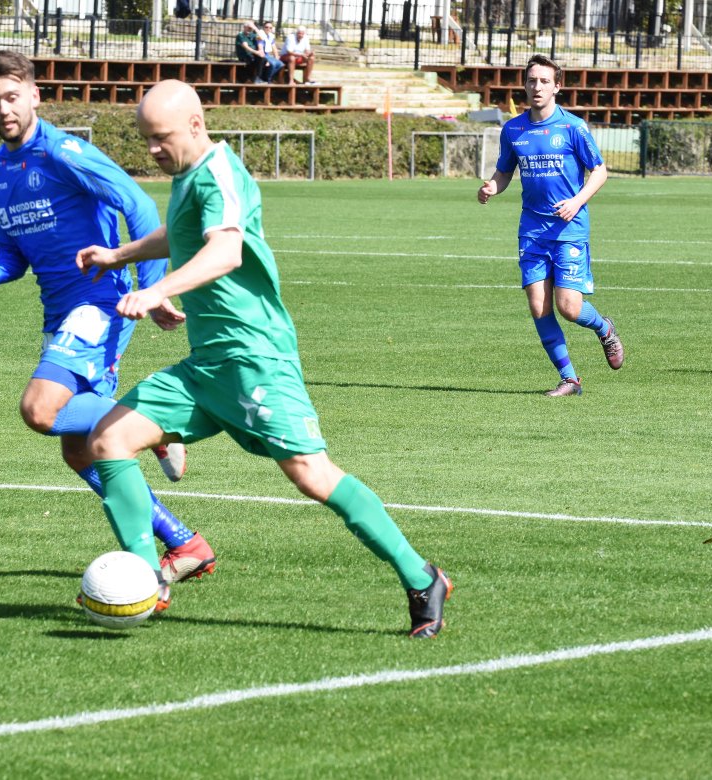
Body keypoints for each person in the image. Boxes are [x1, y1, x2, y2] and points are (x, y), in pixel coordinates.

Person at [76, 80, 451, 637]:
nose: (152, 149)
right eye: (146, 139)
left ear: (196, 125)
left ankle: (421, 578)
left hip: (256, 358)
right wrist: (120, 255)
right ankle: (146, 580)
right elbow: (182, 234)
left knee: (311, 475)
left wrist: (157, 290)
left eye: (161, 137)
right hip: (207, 364)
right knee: (108, 440)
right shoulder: (188, 175)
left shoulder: (220, 174)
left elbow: (225, 251)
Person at [0, 51, 216, 585]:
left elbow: (139, 206)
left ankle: (156, 428)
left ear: (34, 95)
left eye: (12, 97)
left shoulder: (65, 152)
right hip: (60, 313)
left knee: (39, 409)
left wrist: (152, 289)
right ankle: (184, 542)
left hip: (99, 302)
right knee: (81, 451)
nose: (3, 109)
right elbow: (13, 255)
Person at [478, 55, 624, 396]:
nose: (537, 87)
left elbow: (599, 171)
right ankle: (569, 379)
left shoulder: (572, 127)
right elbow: (504, 172)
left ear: (557, 86)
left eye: (544, 81)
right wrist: (492, 187)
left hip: (568, 229)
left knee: (569, 307)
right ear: (524, 85)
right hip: (532, 230)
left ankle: (604, 328)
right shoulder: (513, 129)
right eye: (532, 80)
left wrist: (577, 201)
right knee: (538, 306)